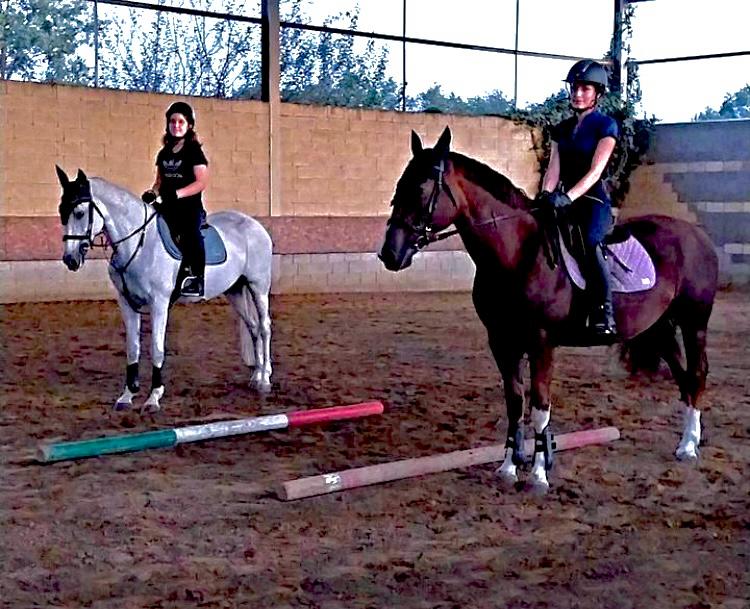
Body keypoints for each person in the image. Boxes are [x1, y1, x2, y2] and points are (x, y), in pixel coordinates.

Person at [538, 59, 619, 338]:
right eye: (574, 88)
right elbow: (553, 170)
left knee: (591, 241)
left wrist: (569, 197)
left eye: (585, 88)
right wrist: (546, 195)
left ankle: (604, 312)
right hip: (563, 199)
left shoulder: (606, 126)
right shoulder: (562, 129)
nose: (577, 93)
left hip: (593, 202)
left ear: (598, 93)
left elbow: (596, 171)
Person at [142, 101, 209, 297]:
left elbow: (201, 182)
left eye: (181, 122)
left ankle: (196, 277)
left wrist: (177, 194)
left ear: (189, 125)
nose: (176, 125)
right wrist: (153, 193)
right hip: (167, 206)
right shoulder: (164, 153)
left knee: (191, 235)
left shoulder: (194, 151)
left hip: (189, 208)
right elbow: (159, 182)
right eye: (172, 121)